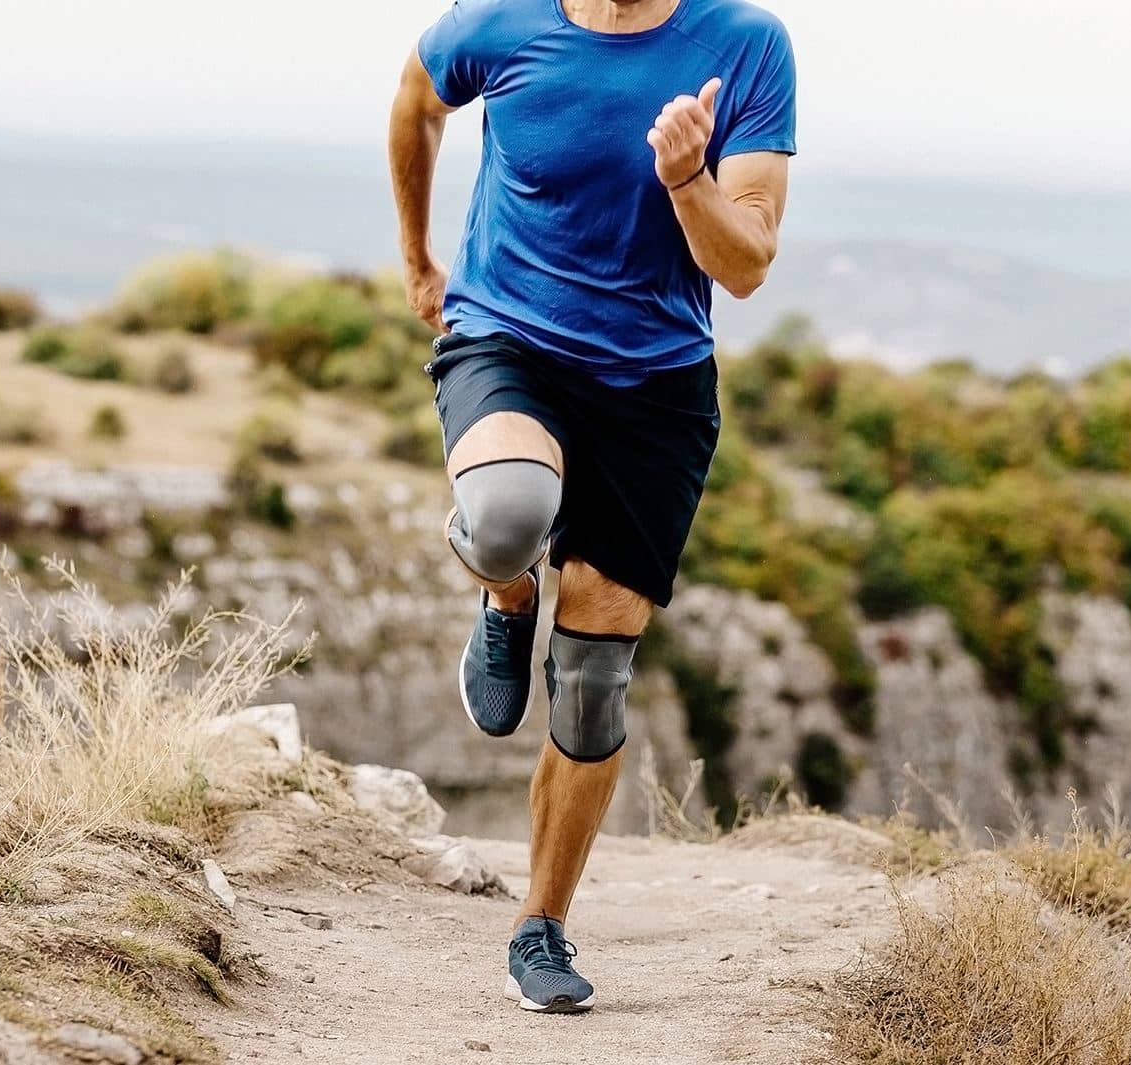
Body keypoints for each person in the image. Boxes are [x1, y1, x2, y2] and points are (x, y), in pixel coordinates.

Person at [387, 0, 795, 1015]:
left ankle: (541, 926)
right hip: (507, 341)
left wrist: (686, 180)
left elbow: (744, 265)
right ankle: (504, 595)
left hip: (655, 388)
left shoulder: (743, 46)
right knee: (508, 517)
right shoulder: (496, 22)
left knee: (593, 679)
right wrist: (416, 258)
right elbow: (415, 103)